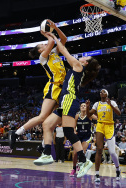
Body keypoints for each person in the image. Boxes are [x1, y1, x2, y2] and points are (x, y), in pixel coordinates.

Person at [32, 30, 101, 178]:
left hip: (70, 99)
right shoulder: (77, 69)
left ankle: (83, 160)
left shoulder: (78, 65)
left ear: (86, 62)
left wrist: (52, 36)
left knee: (69, 132)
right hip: (65, 100)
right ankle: (47, 154)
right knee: (47, 124)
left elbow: (63, 50)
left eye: (86, 57)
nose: (83, 56)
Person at [9, 20, 67, 149]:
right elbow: (52, 42)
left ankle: (42, 145)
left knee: (57, 118)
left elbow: (64, 39)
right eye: (43, 44)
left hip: (63, 89)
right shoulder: (43, 57)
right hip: (54, 87)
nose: (46, 44)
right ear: (41, 50)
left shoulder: (54, 53)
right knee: (42, 117)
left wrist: (56, 28)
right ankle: (17, 133)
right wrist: (46, 33)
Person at [86, 89, 121, 182]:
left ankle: (118, 169)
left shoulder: (112, 102)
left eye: (104, 91)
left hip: (109, 126)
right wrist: (87, 107)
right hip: (100, 125)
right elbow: (89, 115)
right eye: (100, 92)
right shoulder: (97, 104)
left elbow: (119, 113)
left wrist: (111, 105)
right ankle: (97, 174)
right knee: (99, 149)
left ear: (107, 94)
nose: (101, 92)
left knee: (112, 152)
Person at [70, 103, 97, 176]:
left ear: (86, 107)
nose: (83, 107)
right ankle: (74, 168)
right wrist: (74, 131)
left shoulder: (89, 115)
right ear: (80, 108)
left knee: (81, 151)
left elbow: (97, 118)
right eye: (82, 106)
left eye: (84, 106)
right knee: (75, 154)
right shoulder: (77, 116)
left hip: (87, 136)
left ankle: (80, 166)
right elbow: (73, 126)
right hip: (79, 136)